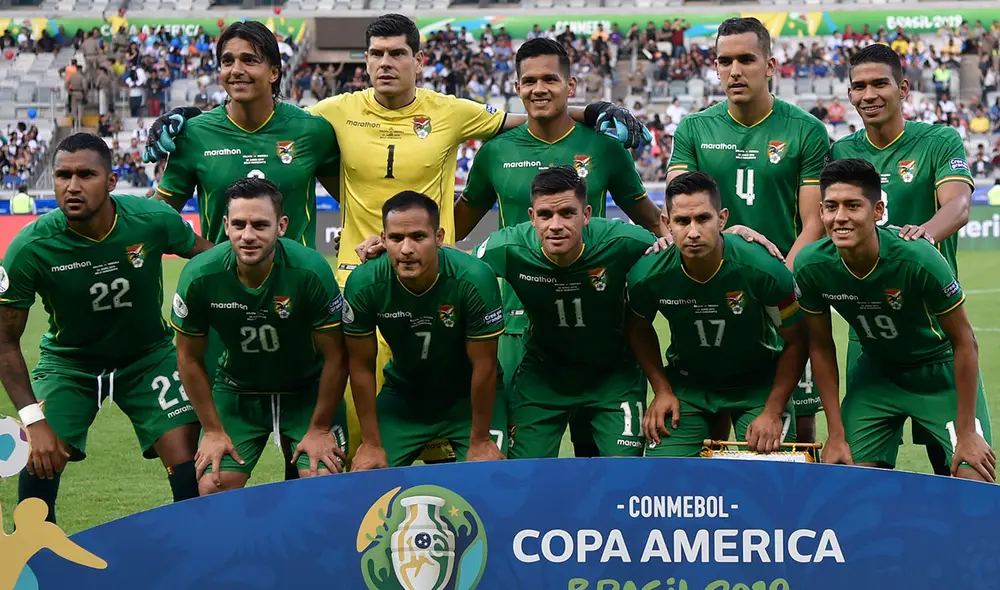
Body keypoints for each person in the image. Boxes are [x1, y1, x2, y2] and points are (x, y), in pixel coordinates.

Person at [143, 14, 650, 466]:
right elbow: (267, 114)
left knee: (436, 392)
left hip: (430, 275)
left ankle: (441, 525)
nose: (386, 63)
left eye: (397, 53)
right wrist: (191, 117)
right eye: (376, 54)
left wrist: (592, 110)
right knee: (365, 421)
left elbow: (536, 112)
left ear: (418, 59)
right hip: (353, 277)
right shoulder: (330, 114)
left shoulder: (451, 111)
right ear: (364, 61)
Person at [152, 21, 340, 482]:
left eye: (250, 59)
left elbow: (351, 198)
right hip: (225, 312)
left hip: (298, 302)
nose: (237, 69)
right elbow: (160, 217)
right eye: (227, 61)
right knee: (213, 475)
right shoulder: (195, 135)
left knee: (314, 478)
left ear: (275, 70)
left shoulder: (312, 132)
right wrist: (206, 254)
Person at [0, 133, 212, 524]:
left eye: (86, 174)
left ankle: (200, 562)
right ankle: (34, 567)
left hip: (149, 357)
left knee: (192, 464)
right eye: (62, 175)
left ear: (111, 181)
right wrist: (32, 419)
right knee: (39, 457)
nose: (72, 186)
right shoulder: (31, 247)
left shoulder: (151, 219)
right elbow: (4, 342)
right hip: (70, 364)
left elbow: (211, 259)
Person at [667, 16, 830, 444]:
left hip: (789, 287)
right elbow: (677, 204)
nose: (735, 70)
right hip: (717, 290)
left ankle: (795, 504)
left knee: (799, 419)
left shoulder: (806, 130)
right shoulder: (694, 129)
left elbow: (814, 220)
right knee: (717, 415)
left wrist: (781, 285)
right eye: (724, 61)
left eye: (746, 59)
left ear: (771, 65)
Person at [794, 158, 994, 482]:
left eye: (852, 206)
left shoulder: (919, 257)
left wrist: (968, 431)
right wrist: (835, 431)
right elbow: (820, 347)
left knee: (975, 481)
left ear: (877, 211)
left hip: (938, 375)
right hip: (877, 377)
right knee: (840, 481)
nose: (840, 217)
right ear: (821, 212)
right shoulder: (811, 266)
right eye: (831, 207)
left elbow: (965, 341)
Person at [831, 43, 975, 476]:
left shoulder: (938, 140)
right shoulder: (841, 153)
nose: (869, 94)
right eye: (859, 86)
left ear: (904, 88)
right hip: (871, 340)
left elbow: (959, 206)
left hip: (934, 333)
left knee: (965, 478)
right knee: (856, 480)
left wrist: (923, 236)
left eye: (880, 83)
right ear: (850, 94)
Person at [171, 178, 350, 493]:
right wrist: (212, 431)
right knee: (214, 484)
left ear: (281, 226)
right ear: (225, 225)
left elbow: (337, 355)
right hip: (239, 393)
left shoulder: (310, 271)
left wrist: (320, 428)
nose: (248, 235)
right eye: (238, 224)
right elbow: (187, 356)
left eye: (260, 225)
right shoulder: (200, 275)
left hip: (306, 393)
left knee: (324, 480)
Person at [474, 167, 654, 458]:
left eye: (567, 213)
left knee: (625, 477)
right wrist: (380, 248)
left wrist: (732, 236)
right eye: (545, 215)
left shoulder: (622, 240)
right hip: (543, 378)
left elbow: (681, 246)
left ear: (586, 215)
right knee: (523, 477)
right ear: (532, 217)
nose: (555, 225)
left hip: (612, 378)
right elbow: (450, 266)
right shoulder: (507, 247)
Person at [626, 172, 807, 456]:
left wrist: (773, 411)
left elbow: (797, 340)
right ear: (667, 223)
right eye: (682, 221)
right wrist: (662, 390)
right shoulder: (647, 275)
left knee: (772, 480)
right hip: (687, 387)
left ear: (722, 219)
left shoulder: (765, 269)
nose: (693, 231)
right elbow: (637, 328)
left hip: (758, 386)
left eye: (703, 219)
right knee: (663, 482)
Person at [343, 191, 505, 469]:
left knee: (492, 480)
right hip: (404, 398)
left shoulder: (475, 278)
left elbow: (485, 366)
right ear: (383, 239)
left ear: (439, 237)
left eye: (418, 237)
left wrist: (479, 441)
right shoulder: (365, 282)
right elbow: (360, 366)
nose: (406, 249)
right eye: (395, 238)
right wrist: (370, 443)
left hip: (467, 399)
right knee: (366, 482)